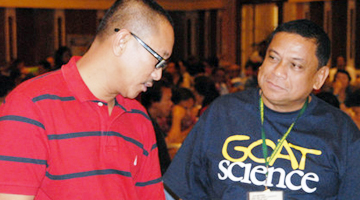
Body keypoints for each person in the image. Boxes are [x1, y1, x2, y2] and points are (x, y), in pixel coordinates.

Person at [163, 19, 360, 199]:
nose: (278, 72)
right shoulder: (224, 113)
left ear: (320, 77)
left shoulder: (340, 131)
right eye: (273, 58)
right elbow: (178, 189)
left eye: (295, 65)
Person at [0, 0, 174, 199]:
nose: (158, 75)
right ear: (123, 41)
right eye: (158, 60)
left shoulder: (138, 117)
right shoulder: (30, 106)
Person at [140, 80, 173, 175]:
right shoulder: (146, 123)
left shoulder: (150, 121)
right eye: (168, 99)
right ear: (154, 101)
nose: (171, 104)